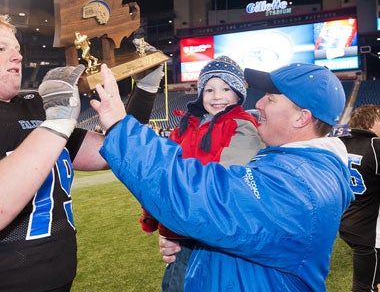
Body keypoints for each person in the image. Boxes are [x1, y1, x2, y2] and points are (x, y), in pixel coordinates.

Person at [0, 13, 163, 291]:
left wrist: (145, 90)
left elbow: (112, 152)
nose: (17, 57)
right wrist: (57, 122)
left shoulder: (33, 107)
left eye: (17, 49)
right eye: (0, 48)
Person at [90, 62, 355, 291]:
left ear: (302, 118)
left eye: (271, 99)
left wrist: (120, 127)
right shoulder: (295, 167)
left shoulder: (299, 186)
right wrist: (181, 236)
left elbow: (204, 198)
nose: (258, 103)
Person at [138, 56, 264, 292]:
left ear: (239, 92)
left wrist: (172, 215)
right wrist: (157, 221)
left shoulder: (242, 125)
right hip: (183, 231)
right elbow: (161, 174)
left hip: (212, 233)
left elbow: (221, 184)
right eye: (209, 89)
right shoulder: (184, 128)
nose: (217, 96)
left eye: (226, 88)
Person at [338, 104, 380, 292]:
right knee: (366, 285)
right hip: (371, 232)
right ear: (372, 121)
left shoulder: (341, 143)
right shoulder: (375, 145)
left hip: (348, 221)